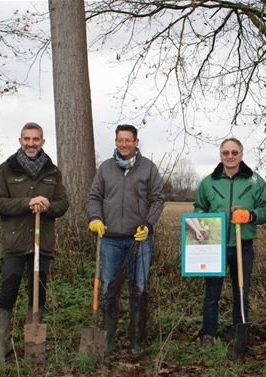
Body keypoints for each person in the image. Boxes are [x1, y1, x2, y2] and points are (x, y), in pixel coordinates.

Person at [0, 122, 69, 361]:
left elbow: (63, 204)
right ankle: (0, 347)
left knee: (38, 293)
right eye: (27, 139)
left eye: (36, 139)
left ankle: (32, 346)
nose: (31, 143)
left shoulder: (52, 172)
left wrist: (47, 206)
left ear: (42, 142)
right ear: (20, 141)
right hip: (14, 243)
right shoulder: (6, 170)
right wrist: (27, 202)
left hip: (41, 243)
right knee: (8, 291)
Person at [87, 124, 164, 356]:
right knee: (110, 290)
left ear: (136, 142)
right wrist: (95, 218)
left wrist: (148, 225)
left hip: (139, 240)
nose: (124, 144)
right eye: (120, 140)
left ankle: (136, 340)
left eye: (128, 140)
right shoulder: (105, 168)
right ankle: (107, 338)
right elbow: (94, 197)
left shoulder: (148, 168)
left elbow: (159, 199)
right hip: (110, 239)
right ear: (116, 142)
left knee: (138, 289)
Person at [194, 137, 266, 351]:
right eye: (226, 153)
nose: (230, 156)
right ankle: (208, 333)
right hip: (215, 246)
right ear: (220, 155)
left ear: (241, 155)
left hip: (242, 244)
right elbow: (199, 207)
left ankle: (239, 332)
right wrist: (204, 222)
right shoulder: (209, 182)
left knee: (241, 291)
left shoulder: (255, 181)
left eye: (234, 153)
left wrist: (251, 215)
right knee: (212, 293)